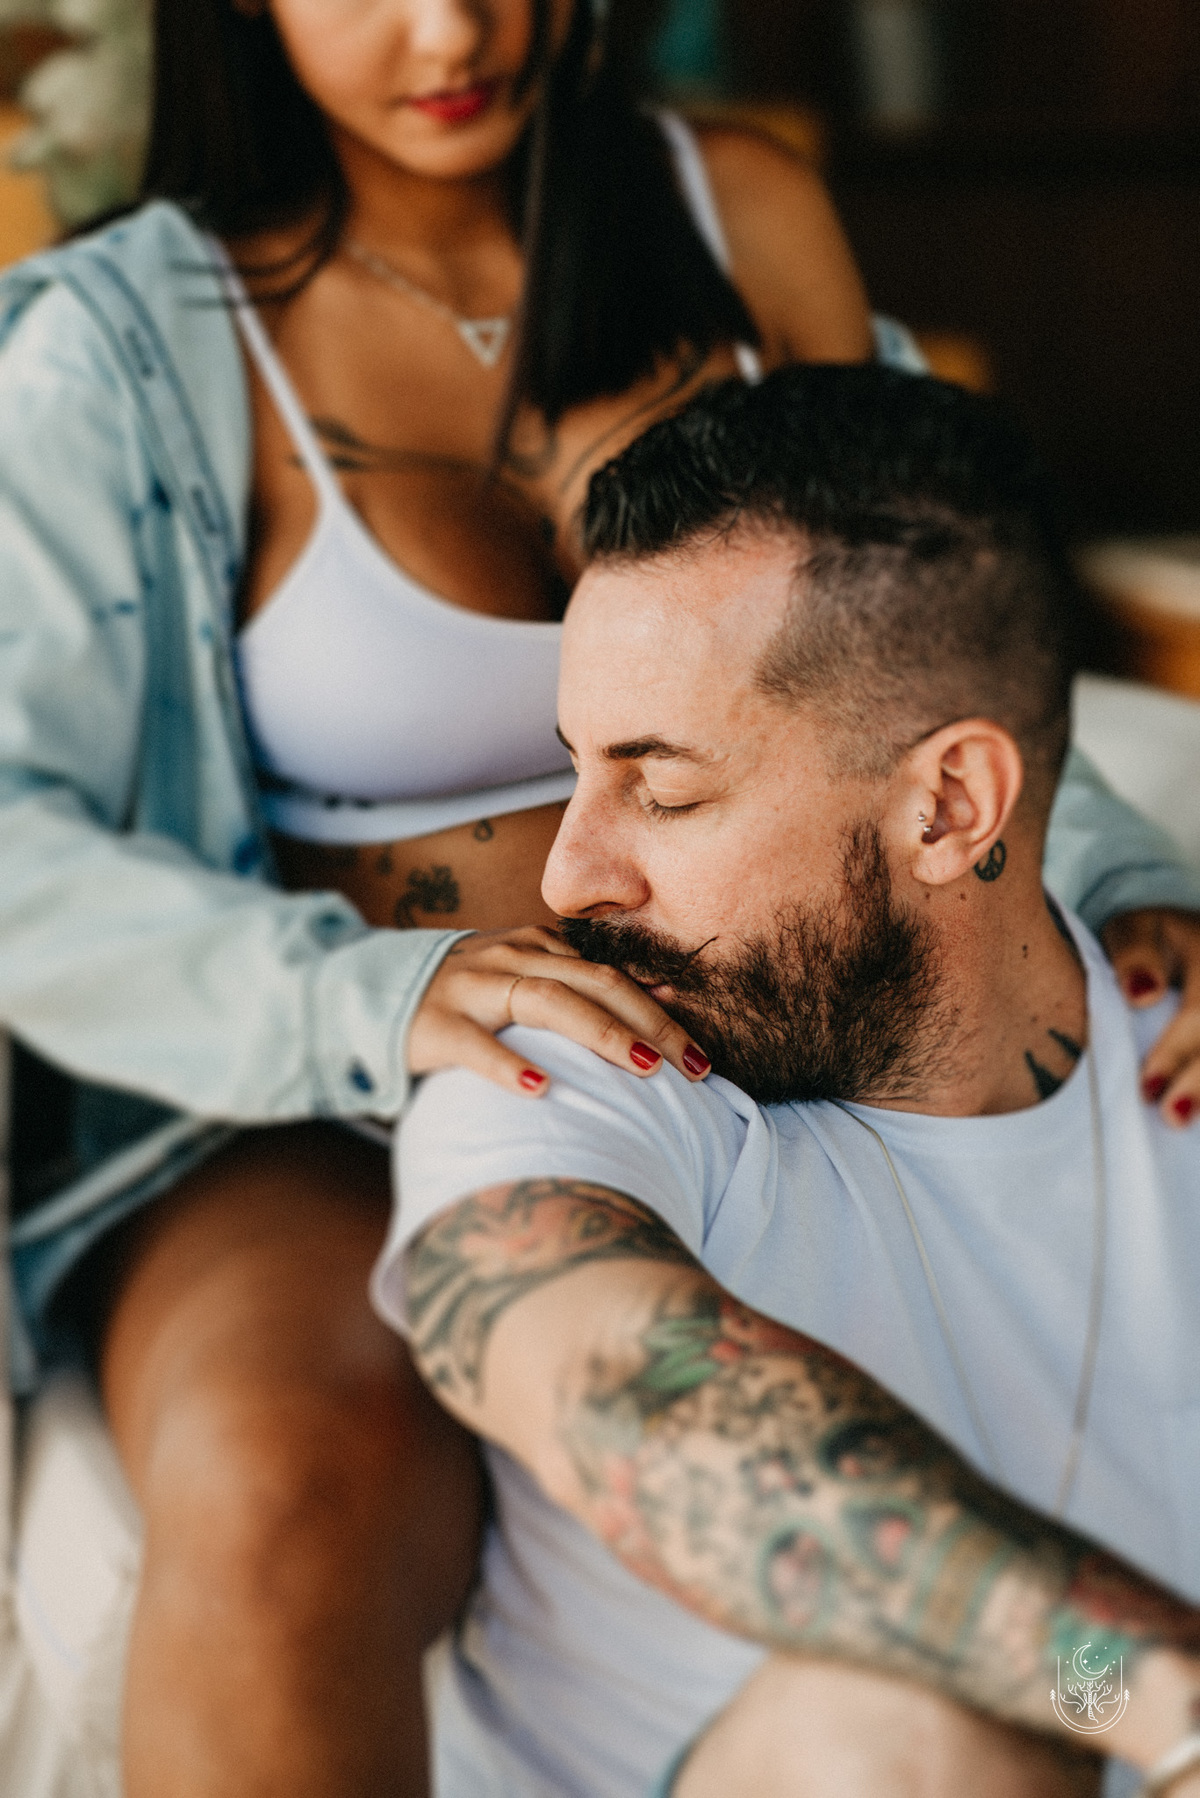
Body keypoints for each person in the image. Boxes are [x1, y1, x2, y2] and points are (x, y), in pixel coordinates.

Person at [1, 2, 1198, 1791]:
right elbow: (622, 1383)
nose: (450, 28)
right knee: (287, 1476)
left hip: (800, 1004)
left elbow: (940, 620)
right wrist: (373, 995)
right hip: (325, 1068)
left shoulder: (740, 217)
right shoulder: (121, 345)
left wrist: (1130, 882)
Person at [374, 366, 1200, 1798]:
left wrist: (1126, 1707)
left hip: (1105, 1730)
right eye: (578, 772)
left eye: (664, 789)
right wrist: (1162, 1698)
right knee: (927, 1727)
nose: (567, 876)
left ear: (949, 805)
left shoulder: (1170, 1060)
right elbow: (613, 1386)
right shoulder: (571, 1062)